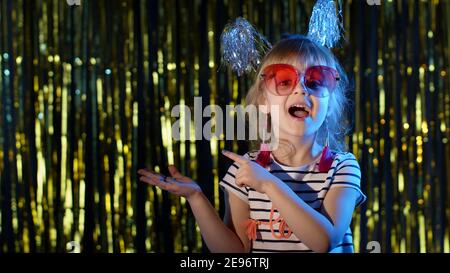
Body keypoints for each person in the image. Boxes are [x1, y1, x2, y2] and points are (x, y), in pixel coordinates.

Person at [138, 34, 366, 253]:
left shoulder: (343, 167)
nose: (301, 89)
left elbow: (324, 241)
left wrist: (268, 185)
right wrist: (196, 198)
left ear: (330, 105)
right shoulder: (245, 170)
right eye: (284, 81)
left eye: (315, 81)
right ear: (263, 103)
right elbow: (235, 251)